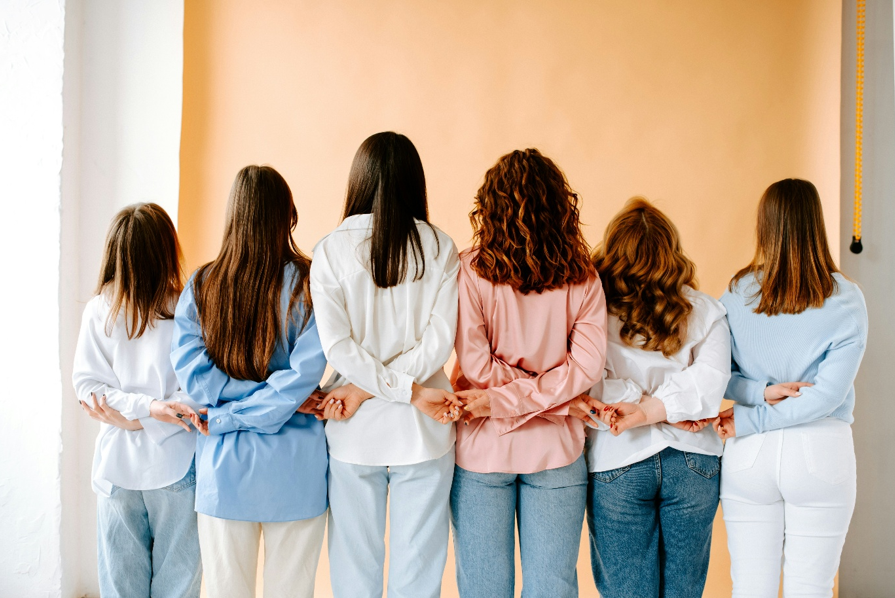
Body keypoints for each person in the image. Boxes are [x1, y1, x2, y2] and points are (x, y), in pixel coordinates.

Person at [310, 132, 461, 598]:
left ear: (359, 180)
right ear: (416, 183)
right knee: (420, 572)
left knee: (354, 571)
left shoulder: (329, 250)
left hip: (352, 427)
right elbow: (438, 346)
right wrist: (408, 391)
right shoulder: (441, 247)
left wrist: (360, 390)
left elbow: (338, 347)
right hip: (424, 426)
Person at [450, 148, 607, 598]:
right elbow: (583, 370)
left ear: (489, 207)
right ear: (561, 206)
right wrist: (556, 401)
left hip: (483, 446)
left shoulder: (468, 270)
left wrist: (502, 402)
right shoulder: (585, 278)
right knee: (553, 588)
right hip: (557, 449)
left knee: (482, 589)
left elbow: (478, 369)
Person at [171, 165, 328, 598]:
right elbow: (301, 382)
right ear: (287, 216)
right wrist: (281, 398)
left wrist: (226, 416)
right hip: (298, 470)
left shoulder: (202, 286)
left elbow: (199, 383)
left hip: (224, 470)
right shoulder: (313, 284)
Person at [714, 178, 867, 597]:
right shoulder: (847, 298)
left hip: (749, 457)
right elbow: (828, 397)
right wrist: (760, 406)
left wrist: (754, 402)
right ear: (815, 223)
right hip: (820, 451)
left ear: (765, 225)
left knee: (749, 588)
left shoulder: (735, 291)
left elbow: (717, 375)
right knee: (811, 588)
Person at [570, 198, 729, 598]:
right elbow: (709, 384)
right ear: (672, 254)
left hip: (617, 458)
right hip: (694, 462)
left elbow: (589, 386)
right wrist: (663, 410)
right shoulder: (708, 311)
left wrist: (638, 408)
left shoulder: (591, 313)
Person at [73, 203, 202, 598]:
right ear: (167, 250)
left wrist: (131, 416)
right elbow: (193, 394)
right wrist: (153, 410)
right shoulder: (186, 307)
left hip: (118, 466)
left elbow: (90, 390)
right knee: (178, 585)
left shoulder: (100, 311)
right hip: (176, 462)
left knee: (120, 586)